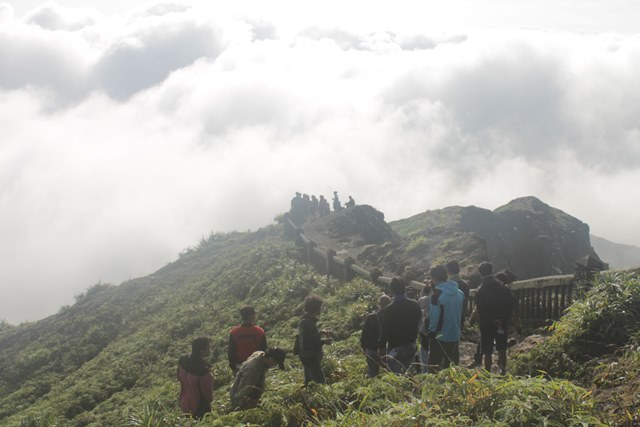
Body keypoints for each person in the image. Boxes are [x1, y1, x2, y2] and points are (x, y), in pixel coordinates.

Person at [475, 262, 515, 374]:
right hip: (501, 323)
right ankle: (503, 371)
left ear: (480, 274)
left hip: (487, 323)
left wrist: (490, 320)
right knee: (502, 347)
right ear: (492, 271)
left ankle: (487, 373)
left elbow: (481, 309)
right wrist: (501, 319)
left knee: (487, 350)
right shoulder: (503, 287)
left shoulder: (481, 289)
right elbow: (510, 305)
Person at [379, 277, 422, 374]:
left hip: (395, 349)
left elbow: (385, 332)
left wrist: (381, 348)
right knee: (411, 377)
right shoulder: (414, 305)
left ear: (392, 290)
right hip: (411, 346)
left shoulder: (389, 309)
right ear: (405, 288)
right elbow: (420, 323)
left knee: (397, 380)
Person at [428, 265, 465, 373]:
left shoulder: (437, 295)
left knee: (434, 369)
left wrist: (431, 332)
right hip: (455, 335)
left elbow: (434, 318)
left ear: (434, 278)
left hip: (440, 337)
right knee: (452, 370)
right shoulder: (460, 293)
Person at [177, 336, 213, 419]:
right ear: (201, 351)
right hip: (200, 407)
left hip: (184, 402)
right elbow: (208, 396)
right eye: (208, 347)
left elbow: (179, 378)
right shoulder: (204, 371)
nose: (210, 350)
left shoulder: (182, 361)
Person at [298, 295, 331, 385]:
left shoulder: (307, 320)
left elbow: (309, 336)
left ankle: (308, 396)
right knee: (320, 382)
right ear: (316, 308)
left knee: (310, 381)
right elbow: (307, 344)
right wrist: (323, 341)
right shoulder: (306, 322)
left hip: (308, 356)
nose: (321, 309)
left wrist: (320, 332)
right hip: (310, 357)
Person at [228, 306, 267, 374]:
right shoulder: (259, 331)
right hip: (256, 366)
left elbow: (231, 352)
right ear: (252, 316)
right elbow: (264, 350)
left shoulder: (234, 332)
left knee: (241, 384)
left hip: (239, 367)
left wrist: (234, 367)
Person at [360, 294, 391, 377]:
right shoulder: (391, 316)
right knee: (389, 374)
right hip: (386, 350)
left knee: (372, 373)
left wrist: (363, 347)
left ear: (379, 304)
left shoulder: (371, 317)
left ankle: (374, 387)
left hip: (371, 349)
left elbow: (364, 334)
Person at [446, 260, 470, 327]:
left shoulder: (445, 285)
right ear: (459, 270)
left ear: (448, 271)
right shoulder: (465, 285)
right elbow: (465, 303)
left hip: (447, 315)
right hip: (460, 315)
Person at [417, 285, 432, 373]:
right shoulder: (437, 298)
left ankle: (425, 371)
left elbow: (419, 316)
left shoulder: (422, 300)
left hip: (424, 329)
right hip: (437, 328)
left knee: (424, 350)